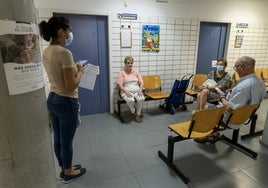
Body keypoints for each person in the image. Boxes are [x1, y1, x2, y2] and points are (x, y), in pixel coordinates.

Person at [38, 16, 86, 183]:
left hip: (53, 98)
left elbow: (59, 76)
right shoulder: (64, 52)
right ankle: (68, 172)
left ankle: (64, 168)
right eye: (69, 30)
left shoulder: (47, 51)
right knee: (66, 141)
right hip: (66, 101)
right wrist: (80, 71)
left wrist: (73, 68)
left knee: (58, 138)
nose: (70, 33)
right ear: (61, 31)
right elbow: (71, 85)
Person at [195, 56, 266, 143]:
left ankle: (209, 135)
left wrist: (222, 98)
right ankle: (215, 133)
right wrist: (232, 92)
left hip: (230, 120)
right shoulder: (261, 83)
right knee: (202, 97)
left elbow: (229, 108)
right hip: (244, 116)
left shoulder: (243, 87)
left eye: (236, 67)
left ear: (242, 67)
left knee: (202, 110)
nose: (235, 70)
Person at [117, 56, 145, 122]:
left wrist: (140, 90)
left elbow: (142, 82)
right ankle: (133, 111)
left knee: (141, 98)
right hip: (126, 91)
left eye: (131, 63)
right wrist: (126, 92)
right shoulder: (122, 73)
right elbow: (120, 85)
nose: (130, 64)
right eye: (128, 63)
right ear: (125, 64)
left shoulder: (136, 72)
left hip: (137, 90)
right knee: (130, 100)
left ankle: (138, 114)